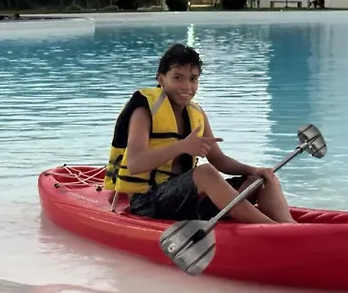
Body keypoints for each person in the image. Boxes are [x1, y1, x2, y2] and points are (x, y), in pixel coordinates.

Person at [103, 43, 296, 224]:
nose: (187, 87)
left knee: (262, 180)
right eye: (178, 77)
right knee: (205, 172)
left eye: (193, 79)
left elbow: (218, 159)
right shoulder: (144, 111)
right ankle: (273, 229)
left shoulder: (196, 113)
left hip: (185, 200)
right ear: (161, 79)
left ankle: (289, 226)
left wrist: (253, 170)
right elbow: (135, 164)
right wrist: (182, 146)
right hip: (147, 202)